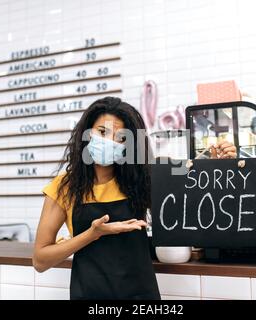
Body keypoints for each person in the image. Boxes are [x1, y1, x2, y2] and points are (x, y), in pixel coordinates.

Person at [32, 96, 161, 300]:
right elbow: (40, 261)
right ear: (87, 133)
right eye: (102, 132)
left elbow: (188, 205)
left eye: (121, 138)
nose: (110, 142)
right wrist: (92, 234)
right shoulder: (64, 187)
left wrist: (218, 164)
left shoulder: (143, 180)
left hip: (140, 296)